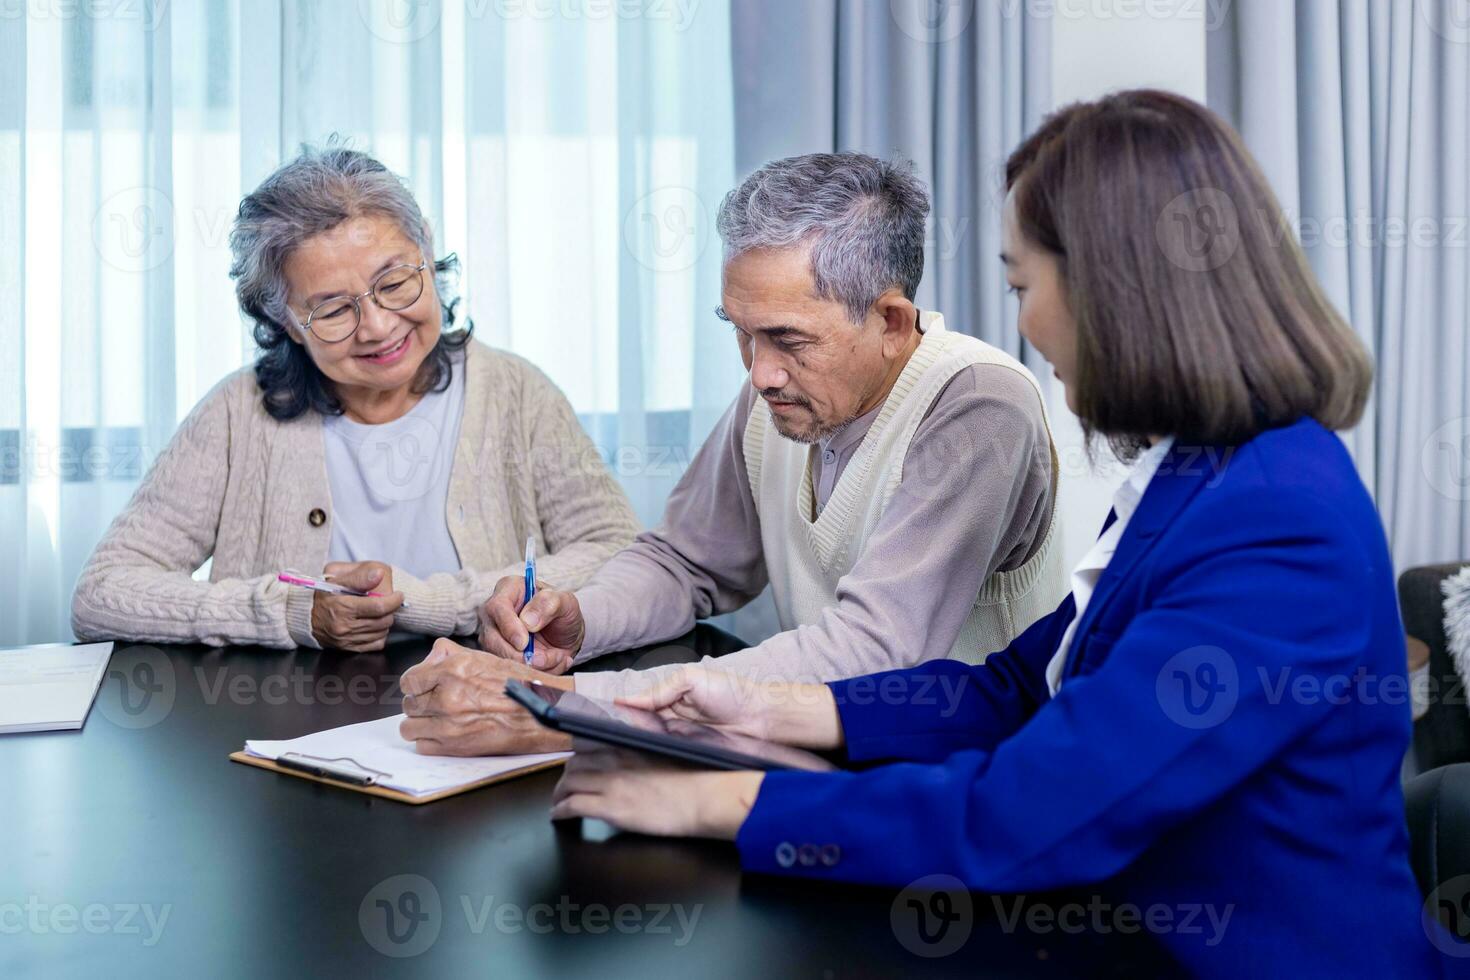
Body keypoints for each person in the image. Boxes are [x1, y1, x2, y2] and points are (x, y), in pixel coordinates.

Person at [532, 91, 1441, 975]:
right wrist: (767, 707)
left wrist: (724, 801)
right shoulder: (1197, 475)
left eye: (1023, 284)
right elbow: (1018, 689)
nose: (1025, 323)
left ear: (1118, 294)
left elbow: (1035, 812)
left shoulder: (1277, 522)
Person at [398, 152, 1068, 756]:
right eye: (742, 334)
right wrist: (580, 621)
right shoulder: (781, 394)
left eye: (787, 339)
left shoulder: (980, 404)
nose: (759, 373)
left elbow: (873, 655)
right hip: (822, 756)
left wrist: (573, 706)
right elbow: (684, 560)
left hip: (970, 785)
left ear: (891, 323)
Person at [71, 147, 638, 652]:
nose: (377, 327)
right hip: (278, 727)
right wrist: (288, 612)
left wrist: (425, 600)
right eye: (335, 309)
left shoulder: (517, 394)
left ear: (429, 251)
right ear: (285, 320)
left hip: (480, 717)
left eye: (394, 283)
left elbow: (622, 554)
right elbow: (102, 592)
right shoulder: (235, 414)